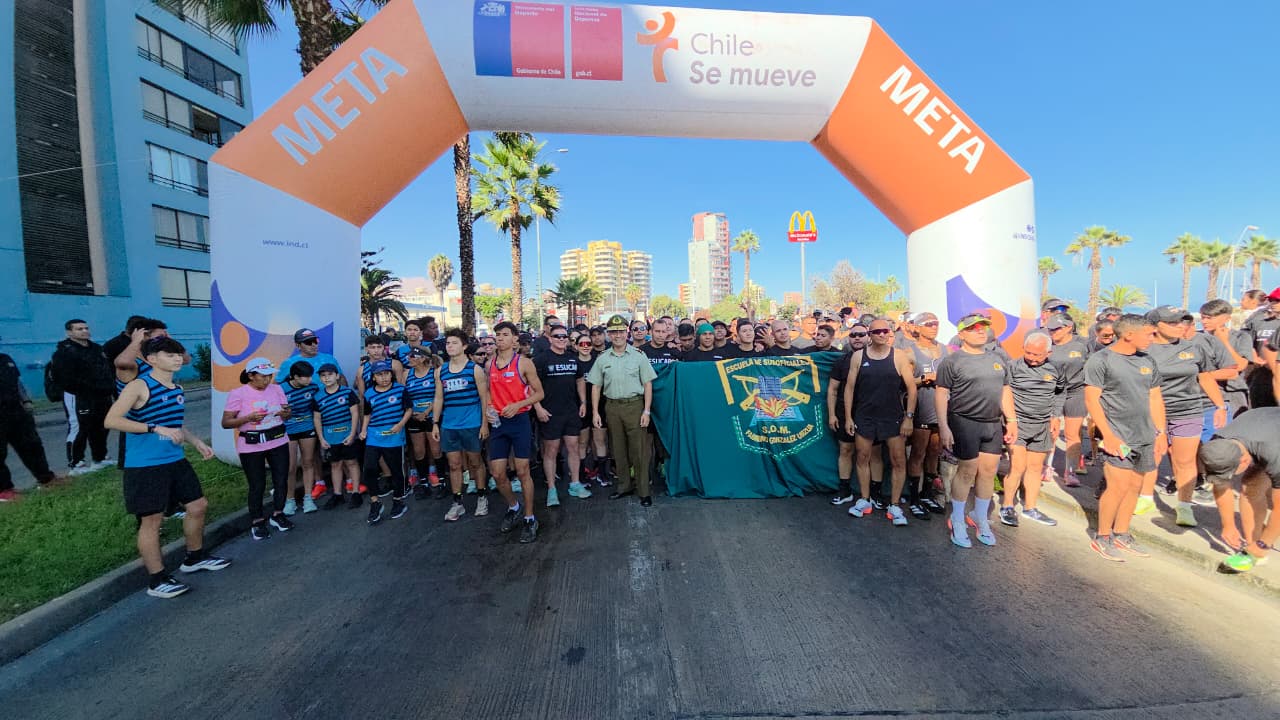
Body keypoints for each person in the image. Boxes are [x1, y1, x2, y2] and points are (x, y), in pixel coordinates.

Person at [104, 337, 228, 598]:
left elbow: (174, 423)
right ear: (151, 359)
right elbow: (111, 420)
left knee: (198, 505)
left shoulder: (176, 388)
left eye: (178, 354)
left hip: (174, 459)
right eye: (169, 354)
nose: (177, 358)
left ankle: (194, 558)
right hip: (145, 465)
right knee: (151, 520)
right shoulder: (138, 386)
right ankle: (157, 580)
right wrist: (153, 428)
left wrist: (196, 443)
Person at [1083, 314, 1165, 562]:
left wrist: (1160, 433)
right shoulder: (1102, 360)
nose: (1153, 338)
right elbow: (1092, 400)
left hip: (1145, 435)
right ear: (1129, 334)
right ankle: (1103, 536)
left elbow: (1154, 397)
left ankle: (1122, 533)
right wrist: (1107, 435)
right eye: (1148, 333)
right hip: (1118, 436)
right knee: (1117, 486)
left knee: (1134, 486)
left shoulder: (1147, 361)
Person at [935, 313, 1016, 548]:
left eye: (983, 327)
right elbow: (941, 394)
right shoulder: (953, 361)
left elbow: (1005, 391)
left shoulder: (998, 358)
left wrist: (1011, 420)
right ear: (962, 334)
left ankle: (980, 517)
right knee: (967, 471)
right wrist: (944, 427)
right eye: (973, 328)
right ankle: (958, 518)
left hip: (992, 423)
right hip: (964, 421)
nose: (980, 331)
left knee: (989, 471)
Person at [1141, 306, 1228, 526]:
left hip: (1188, 410)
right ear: (1154, 326)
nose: (1180, 326)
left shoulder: (1194, 348)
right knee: (1153, 455)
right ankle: (1145, 497)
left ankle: (1185, 506)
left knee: (1186, 460)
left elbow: (1205, 378)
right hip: (1151, 411)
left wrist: (1220, 406)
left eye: (1183, 321)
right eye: (1172, 322)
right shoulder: (1143, 350)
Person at [843, 318, 917, 525]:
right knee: (862, 458)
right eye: (877, 332)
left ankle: (894, 505)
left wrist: (908, 417)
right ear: (870, 334)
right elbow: (849, 388)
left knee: (898, 461)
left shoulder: (899, 356)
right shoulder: (859, 356)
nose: (883, 334)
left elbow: (912, 389)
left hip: (892, 417)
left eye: (886, 331)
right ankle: (864, 500)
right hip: (865, 416)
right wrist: (848, 416)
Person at [587, 314, 658, 507]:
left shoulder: (638, 356)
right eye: (613, 332)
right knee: (617, 450)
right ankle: (624, 486)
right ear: (608, 335)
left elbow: (648, 384)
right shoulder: (602, 358)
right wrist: (595, 412)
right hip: (612, 407)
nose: (617, 335)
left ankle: (644, 491)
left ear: (626, 332)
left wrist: (646, 411)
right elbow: (596, 386)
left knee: (639, 450)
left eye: (620, 331)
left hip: (635, 406)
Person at [222, 358, 295, 540]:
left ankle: (278, 514)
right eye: (263, 376)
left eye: (270, 375)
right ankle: (257, 521)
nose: (267, 380)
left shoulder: (277, 389)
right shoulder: (238, 393)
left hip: (277, 439)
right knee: (257, 484)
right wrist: (247, 418)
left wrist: (286, 413)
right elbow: (226, 422)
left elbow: (287, 413)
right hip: (251, 444)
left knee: (281, 479)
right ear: (251, 376)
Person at [1199, 408, 1280, 572]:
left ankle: (1260, 546)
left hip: (1273, 441)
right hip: (1268, 431)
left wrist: (1265, 544)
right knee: (1251, 486)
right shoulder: (1219, 444)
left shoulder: (1273, 454)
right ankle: (1252, 550)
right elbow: (1221, 484)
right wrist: (1228, 524)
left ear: (1243, 461)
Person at [487, 322, 547, 542]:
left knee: (523, 471)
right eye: (498, 335)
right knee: (497, 473)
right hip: (499, 424)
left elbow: (539, 393)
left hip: (519, 420)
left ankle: (530, 517)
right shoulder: (489, 364)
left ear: (515, 340)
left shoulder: (524, 363)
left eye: (505, 335)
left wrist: (518, 404)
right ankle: (514, 506)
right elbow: (487, 391)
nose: (500, 338)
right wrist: (488, 408)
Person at [1000, 332, 1062, 527]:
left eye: (1038, 355)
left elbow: (1060, 392)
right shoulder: (1012, 367)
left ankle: (1030, 508)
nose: (1033, 358)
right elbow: (1003, 394)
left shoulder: (1055, 369)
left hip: (1042, 426)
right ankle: (1007, 506)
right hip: (1018, 425)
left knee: (1035, 468)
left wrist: (1055, 416)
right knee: (1017, 466)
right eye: (1029, 353)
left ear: (1049, 352)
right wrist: (1010, 421)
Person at [433, 329, 492, 522]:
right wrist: (435, 423)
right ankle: (457, 503)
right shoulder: (441, 371)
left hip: (472, 423)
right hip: (449, 425)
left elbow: (485, 398)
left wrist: (484, 424)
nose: (450, 346)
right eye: (448, 343)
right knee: (454, 464)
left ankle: (482, 497)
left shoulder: (474, 369)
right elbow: (439, 398)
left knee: (476, 462)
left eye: (454, 343)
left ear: (464, 346)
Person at [533, 324, 591, 505]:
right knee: (551, 450)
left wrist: (583, 402)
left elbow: (580, 379)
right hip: (549, 412)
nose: (561, 339)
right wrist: (538, 408)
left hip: (570, 411)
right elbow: (530, 386)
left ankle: (575, 483)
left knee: (573, 447)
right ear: (549, 338)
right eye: (557, 336)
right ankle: (551, 489)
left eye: (564, 336)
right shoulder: (541, 360)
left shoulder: (573, 359)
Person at [51, 318, 114, 473]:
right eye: (79, 329)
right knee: (79, 428)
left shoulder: (97, 349)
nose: (85, 331)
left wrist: (107, 387)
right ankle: (76, 463)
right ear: (69, 332)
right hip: (78, 396)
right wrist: (87, 389)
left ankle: (99, 458)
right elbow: (64, 379)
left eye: (86, 328)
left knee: (101, 427)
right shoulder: (64, 352)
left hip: (101, 396)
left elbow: (106, 370)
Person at [0, 350, 60, 500]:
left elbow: (17, 383)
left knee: (32, 445)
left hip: (16, 411)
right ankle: (4, 490)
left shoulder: (5, 358)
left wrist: (26, 401)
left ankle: (46, 479)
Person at [360, 360, 412, 525]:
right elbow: (367, 414)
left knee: (396, 470)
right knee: (369, 468)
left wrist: (400, 424)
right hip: (374, 435)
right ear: (374, 377)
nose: (384, 378)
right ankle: (375, 502)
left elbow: (409, 409)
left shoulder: (400, 390)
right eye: (379, 375)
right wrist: (363, 430)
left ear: (391, 374)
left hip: (394, 435)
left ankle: (398, 500)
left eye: (386, 373)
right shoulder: (368, 393)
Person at [905, 313, 947, 517]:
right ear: (918, 328)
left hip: (942, 411)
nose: (933, 327)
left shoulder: (945, 349)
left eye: (936, 323)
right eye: (928, 324)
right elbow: (903, 382)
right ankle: (913, 498)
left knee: (934, 453)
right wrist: (924, 379)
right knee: (918, 453)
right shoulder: (910, 352)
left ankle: (926, 494)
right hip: (922, 408)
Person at [1045, 314, 1091, 485]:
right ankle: (1046, 466)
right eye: (1050, 329)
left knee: (1072, 434)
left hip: (1076, 392)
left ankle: (1070, 472)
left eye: (1057, 329)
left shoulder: (1083, 344)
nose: (1053, 332)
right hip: (1053, 393)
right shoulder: (1046, 343)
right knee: (1051, 432)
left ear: (1069, 327)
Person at [827, 323, 868, 505]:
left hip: (872, 413)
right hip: (844, 413)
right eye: (853, 335)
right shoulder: (841, 361)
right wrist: (832, 415)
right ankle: (845, 491)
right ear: (848, 338)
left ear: (869, 336)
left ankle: (873, 493)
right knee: (845, 450)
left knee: (871, 454)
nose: (857, 338)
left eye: (861, 334)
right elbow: (833, 390)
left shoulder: (881, 359)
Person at [312, 363, 362, 509]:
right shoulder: (318, 397)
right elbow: (317, 419)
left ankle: (356, 493)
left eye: (330, 375)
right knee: (335, 465)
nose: (327, 378)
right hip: (330, 438)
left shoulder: (347, 392)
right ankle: (338, 494)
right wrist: (321, 438)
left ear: (337, 376)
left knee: (352, 463)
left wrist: (353, 434)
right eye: (323, 375)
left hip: (347, 436)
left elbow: (355, 414)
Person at [1200, 299, 1254, 420]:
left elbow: (1240, 365)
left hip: (1233, 393)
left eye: (1209, 318)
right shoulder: (1197, 338)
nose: (1204, 321)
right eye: (1203, 318)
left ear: (1226, 319)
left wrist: (1224, 341)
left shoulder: (1240, 337)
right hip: (1204, 395)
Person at [403, 346, 444, 497]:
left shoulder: (435, 372)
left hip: (432, 416)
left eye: (413, 356)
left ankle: (441, 481)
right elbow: (404, 396)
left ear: (423, 358)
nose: (409, 359)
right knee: (419, 450)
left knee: (435, 450)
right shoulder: (407, 374)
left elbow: (439, 395)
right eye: (409, 356)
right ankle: (423, 481)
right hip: (414, 417)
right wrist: (413, 412)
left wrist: (426, 412)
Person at [279, 360, 320, 514]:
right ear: (295, 377)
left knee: (308, 462)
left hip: (307, 427)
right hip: (288, 429)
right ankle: (290, 500)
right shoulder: (281, 389)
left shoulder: (313, 387)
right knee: (290, 467)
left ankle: (308, 498)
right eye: (305, 377)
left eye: (310, 376)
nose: (309, 380)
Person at [574, 332, 612, 487]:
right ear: (576, 346)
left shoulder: (599, 361)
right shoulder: (573, 363)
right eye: (581, 344)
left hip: (599, 406)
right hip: (580, 407)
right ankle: (582, 474)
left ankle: (602, 473)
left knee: (600, 440)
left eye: (588, 344)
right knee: (582, 442)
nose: (585, 347)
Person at [1240, 287, 1280, 407]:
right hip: (1261, 373)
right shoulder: (1258, 318)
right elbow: (1244, 339)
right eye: (1271, 300)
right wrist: (1252, 354)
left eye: (1277, 301)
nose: (1273, 304)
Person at [277, 328, 344, 382]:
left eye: (315, 341)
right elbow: (277, 386)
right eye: (308, 342)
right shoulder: (289, 363)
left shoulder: (329, 359)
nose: (313, 345)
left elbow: (341, 380)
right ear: (298, 345)